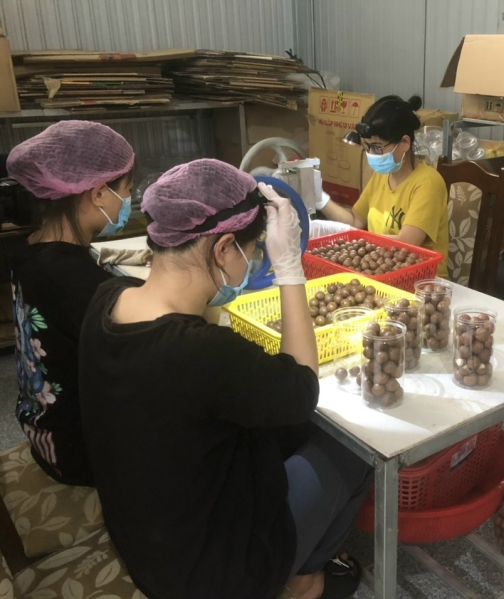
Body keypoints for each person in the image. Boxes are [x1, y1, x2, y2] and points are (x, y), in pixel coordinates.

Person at [79, 159, 372, 599]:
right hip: (215, 576)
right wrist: (289, 269)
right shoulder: (203, 352)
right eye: (252, 252)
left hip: (147, 544)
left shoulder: (107, 297)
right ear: (223, 249)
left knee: (281, 431)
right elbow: (302, 389)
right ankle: (304, 581)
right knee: (354, 448)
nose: (253, 261)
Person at [7, 120, 134, 485]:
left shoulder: (30, 251)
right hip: (78, 453)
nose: (128, 202)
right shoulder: (75, 280)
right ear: (99, 194)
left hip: (44, 430)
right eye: (127, 191)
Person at [317, 95, 449, 277]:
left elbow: (406, 243)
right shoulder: (381, 176)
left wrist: (357, 239)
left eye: (377, 148)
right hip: (382, 270)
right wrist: (320, 199)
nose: (372, 154)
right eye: (367, 147)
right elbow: (355, 221)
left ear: (404, 143)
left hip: (422, 279)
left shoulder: (428, 183)